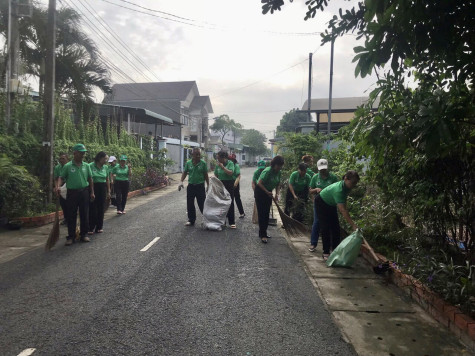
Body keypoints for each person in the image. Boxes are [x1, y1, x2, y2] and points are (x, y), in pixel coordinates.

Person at [316, 170, 360, 260]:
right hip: (321, 202)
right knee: (325, 228)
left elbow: (344, 202)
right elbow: (343, 210)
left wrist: (345, 210)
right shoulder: (338, 190)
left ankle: (335, 250)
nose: (353, 185)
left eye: (355, 183)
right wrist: (353, 225)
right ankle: (326, 252)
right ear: (346, 179)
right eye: (352, 183)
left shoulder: (346, 187)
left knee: (336, 228)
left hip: (331, 204)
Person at [56, 143, 94, 246]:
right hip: (72, 193)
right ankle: (71, 236)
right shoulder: (68, 166)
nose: (83, 155)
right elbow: (61, 177)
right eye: (81, 153)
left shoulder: (86, 165)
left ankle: (84, 234)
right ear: (75, 153)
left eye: (84, 153)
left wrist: (92, 192)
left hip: (84, 192)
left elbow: (90, 179)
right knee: (71, 215)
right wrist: (58, 186)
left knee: (84, 214)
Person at [308, 159, 339, 252]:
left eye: (324, 169)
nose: (323, 171)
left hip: (330, 204)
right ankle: (313, 243)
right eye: (321, 169)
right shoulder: (315, 177)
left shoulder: (333, 178)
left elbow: (337, 190)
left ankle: (331, 246)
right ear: (318, 168)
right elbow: (310, 190)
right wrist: (316, 189)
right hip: (319, 204)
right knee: (317, 222)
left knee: (330, 224)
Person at [255, 155, 284, 243]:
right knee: (262, 213)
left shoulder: (278, 172)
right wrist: (266, 191)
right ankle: (263, 234)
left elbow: (278, 184)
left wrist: (277, 194)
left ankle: (264, 232)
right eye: (278, 165)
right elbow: (259, 183)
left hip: (269, 192)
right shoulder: (267, 171)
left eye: (281, 166)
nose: (279, 167)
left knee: (267, 213)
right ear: (274, 164)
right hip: (260, 191)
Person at [179, 147, 209, 226]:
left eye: (199, 154)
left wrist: (208, 185)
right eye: (196, 154)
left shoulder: (203, 163)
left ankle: (206, 219)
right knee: (190, 203)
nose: (198, 156)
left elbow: (206, 175)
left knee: (202, 204)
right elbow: (185, 172)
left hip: (200, 186)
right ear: (192, 154)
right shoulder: (188, 163)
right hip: (191, 186)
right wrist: (181, 181)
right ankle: (191, 220)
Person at [88, 152, 111, 235]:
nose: (106, 161)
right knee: (92, 208)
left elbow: (107, 179)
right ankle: (91, 227)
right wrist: (92, 191)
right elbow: (89, 178)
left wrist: (108, 191)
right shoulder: (90, 166)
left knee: (101, 207)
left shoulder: (105, 167)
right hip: (93, 187)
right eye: (105, 159)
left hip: (102, 188)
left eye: (107, 159)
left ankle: (99, 226)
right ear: (99, 158)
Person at [214, 151, 236, 229]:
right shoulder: (217, 165)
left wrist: (222, 167)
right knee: (221, 202)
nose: (217, 159)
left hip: (229, 184)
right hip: (221, 184)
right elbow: (216, 174)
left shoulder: (230, 163)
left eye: (218, 158)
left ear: (223, 158)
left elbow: (230, 173)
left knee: (230, 202)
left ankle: (232, 222)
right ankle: (222, 221)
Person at [53, 152, 69, 225]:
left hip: (68, 185)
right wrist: (57, 187)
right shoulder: (57, 167)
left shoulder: (69, 166)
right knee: (63, 204)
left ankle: (70, 219)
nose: (61, 160)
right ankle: (66, 218)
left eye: (63, 158)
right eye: (60, 159)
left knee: (70, 203)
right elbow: (56, 178)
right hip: (61, 186)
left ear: (67, 159)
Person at [230, 153, 245, 219]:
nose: (230, 160)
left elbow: (238, 176)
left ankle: (242, 212)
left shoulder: (236, 166)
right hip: (229, 183)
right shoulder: (228, 165)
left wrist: (235, 184)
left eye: (231, 159)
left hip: (235, 182)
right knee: (229, 199)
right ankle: (229, 214)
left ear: (234, 160)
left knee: (237, 198)